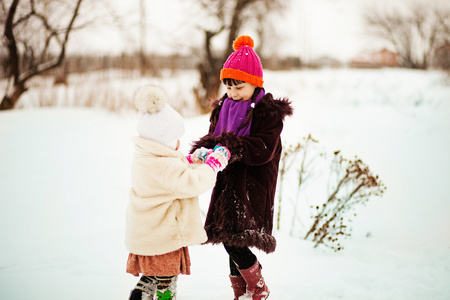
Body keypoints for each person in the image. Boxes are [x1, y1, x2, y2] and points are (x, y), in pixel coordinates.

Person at [190, 35, 293, 300]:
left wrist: (231, 148)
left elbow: (262, 148)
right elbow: (214, 137)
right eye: (229, 87)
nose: (233, 93)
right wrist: (202, 150)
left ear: (255, 83)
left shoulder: (267, 113)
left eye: (239, 87)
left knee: (232, 239)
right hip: (227, 183)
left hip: (252, 185)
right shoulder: (222, 108)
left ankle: (257, 288)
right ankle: (242, 293)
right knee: (228, 237)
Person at [125, 84, 230, 300]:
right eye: (176, 140)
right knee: (166, 277)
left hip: (148, 235)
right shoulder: (167, 167)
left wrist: (191, 160)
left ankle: (142, 292)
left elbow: (172, 175)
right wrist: (211, 165)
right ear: (163, 142)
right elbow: (191, 182)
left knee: (153, 273)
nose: (180, 143)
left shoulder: (147, 157)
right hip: (164, 238)